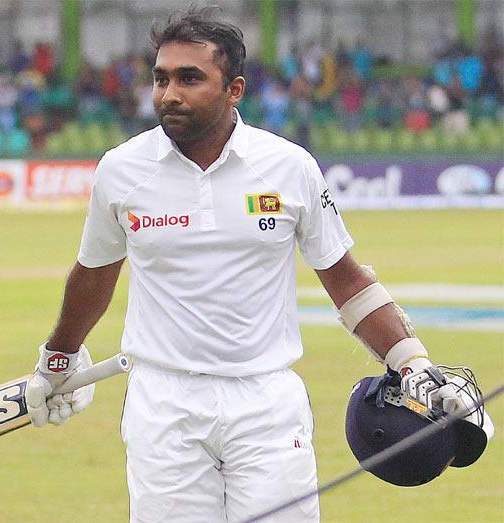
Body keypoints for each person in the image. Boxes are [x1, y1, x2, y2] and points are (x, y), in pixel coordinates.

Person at [24, 9, 463, 522]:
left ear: (234, 90)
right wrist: (58, 358)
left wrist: (412, 362)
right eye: (161, 78)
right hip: (163, 403)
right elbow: (94, 275)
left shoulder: (289, 167)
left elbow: (344, 279)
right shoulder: (122, 170)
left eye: (190, 78)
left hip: (266, 402)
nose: (169, 93)